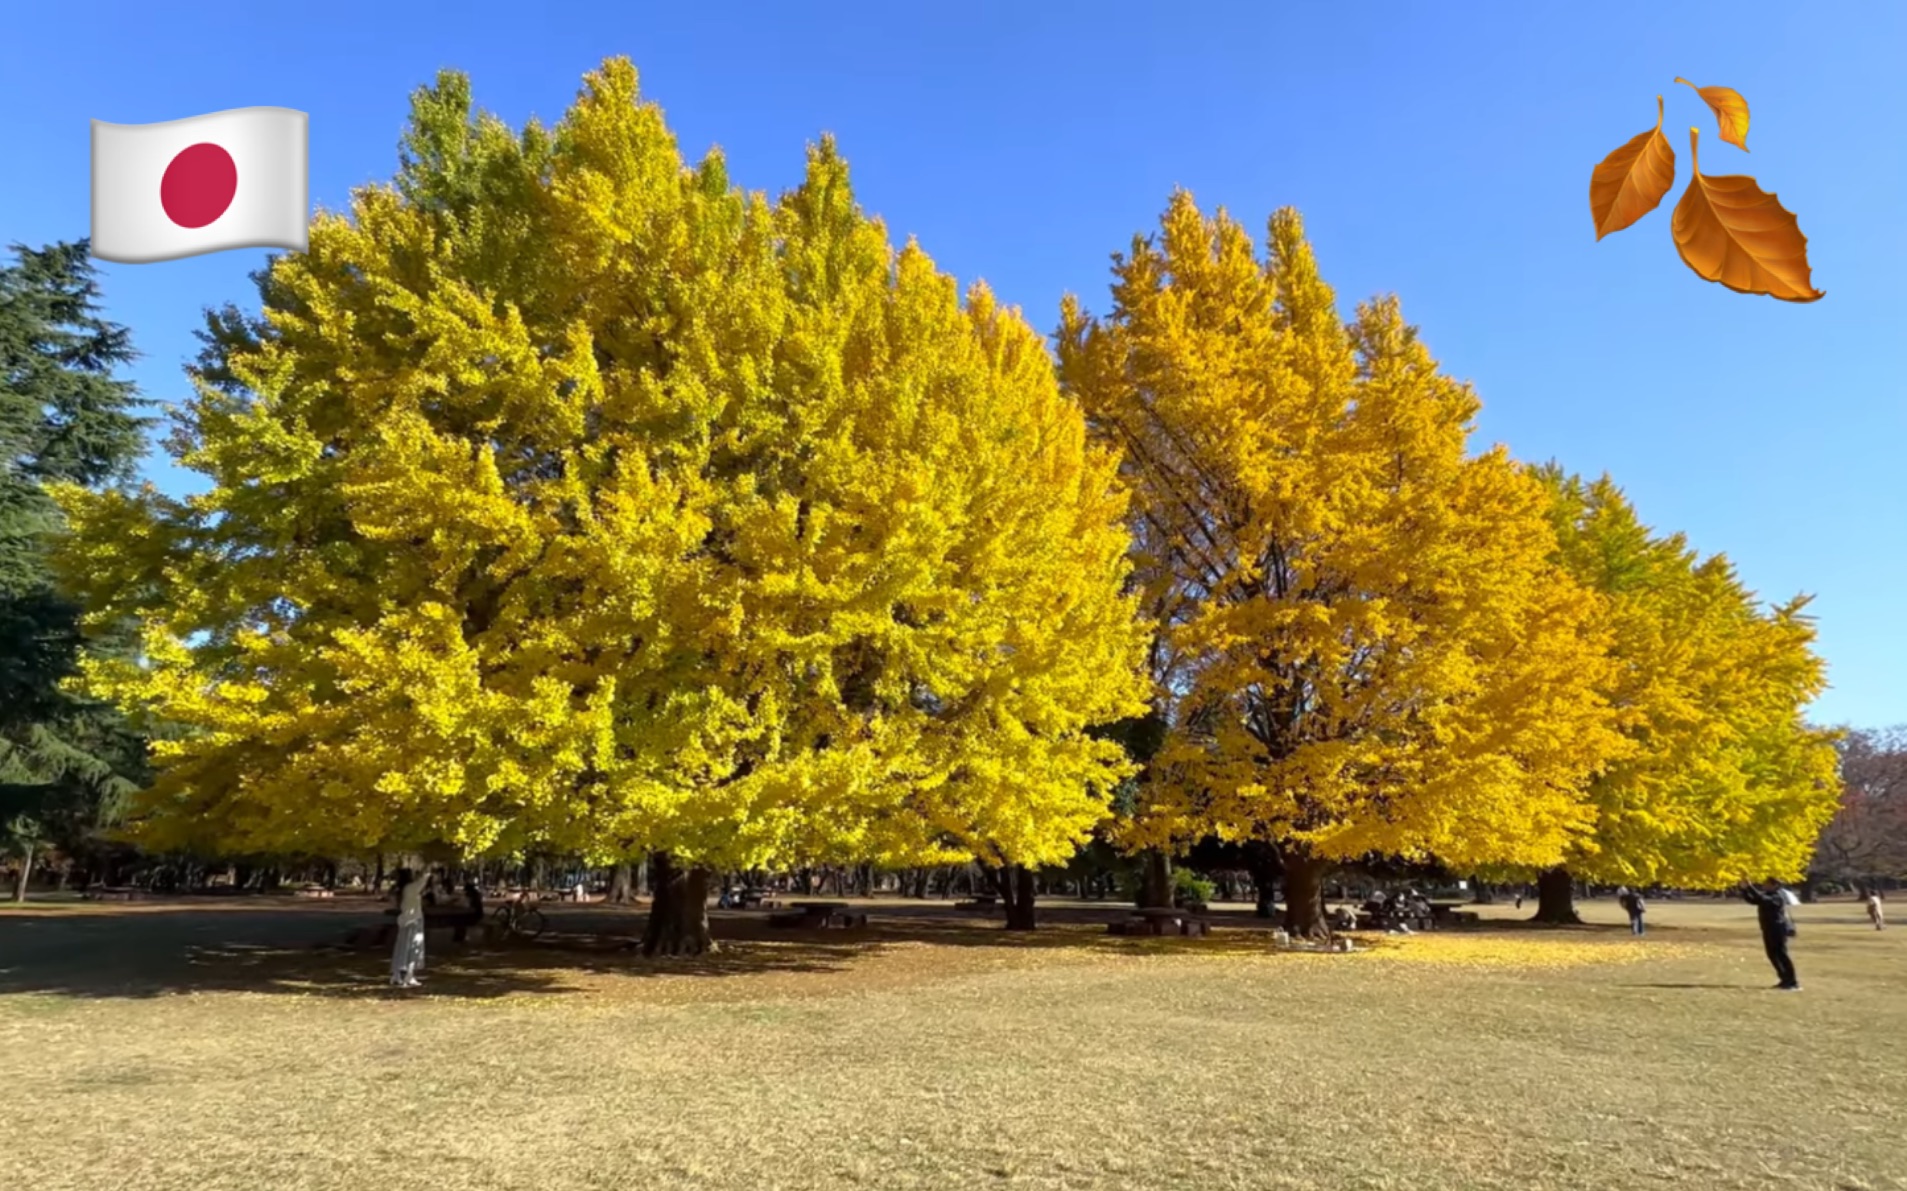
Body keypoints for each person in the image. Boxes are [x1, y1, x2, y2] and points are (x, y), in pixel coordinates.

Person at [1740, 879, 1800, 991]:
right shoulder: (1767, 895)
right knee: (1772, 955)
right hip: (1768, 929)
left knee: (1782, 955)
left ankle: (1792, 982)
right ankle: (1784, 979)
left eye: (1767, 884)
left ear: (1775, 885)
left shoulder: (1778, 897)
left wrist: (1750, 886)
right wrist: (1744, 890)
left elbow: (1762, 899)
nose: (1764, 886)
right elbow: (1753, 900)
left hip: (1778, 929)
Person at [390, 867, 429, 988]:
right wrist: (428, 868)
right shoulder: (410, 888)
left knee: (401, 947)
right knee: (413, 949)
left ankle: (397, 975)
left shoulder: (401, 890)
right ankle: (408, 975)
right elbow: (423, 880)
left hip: (404, 920)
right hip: (413, 920)